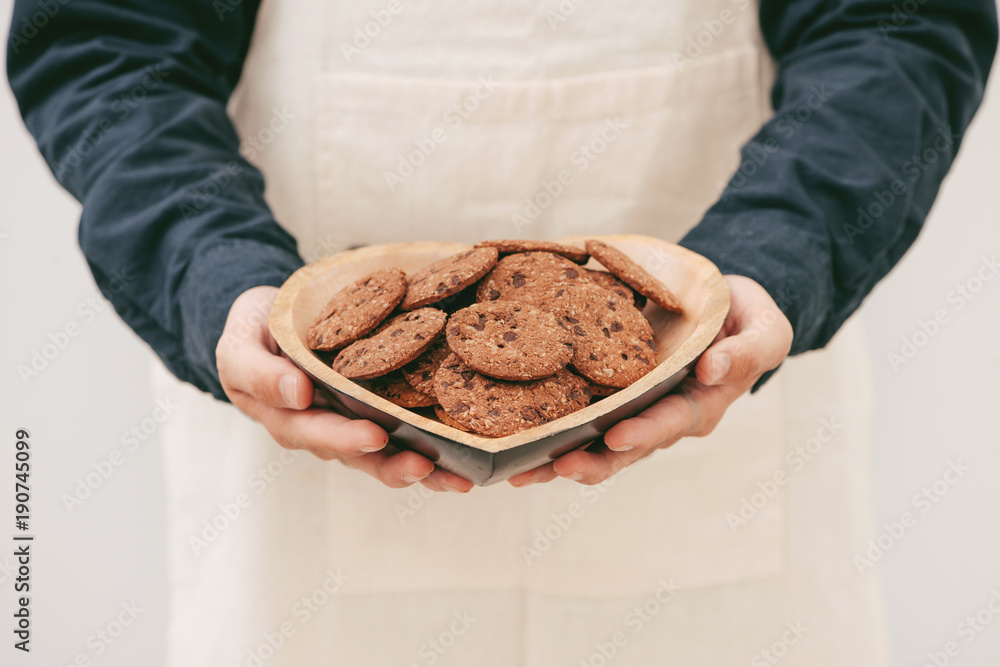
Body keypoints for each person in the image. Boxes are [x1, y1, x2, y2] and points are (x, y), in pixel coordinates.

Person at [8, 0, 997, 664]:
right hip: (305, 432)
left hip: (728, 405)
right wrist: (214, 274)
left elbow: (896, 19)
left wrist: (779, 252)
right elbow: (105, 37)